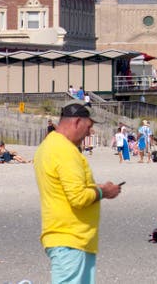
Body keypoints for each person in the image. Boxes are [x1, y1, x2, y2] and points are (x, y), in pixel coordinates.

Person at [34, 102, 122, 283]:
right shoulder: (65, 151)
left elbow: (67, 188)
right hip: (71, 239)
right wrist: (103, 191)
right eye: (89, 127)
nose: (89, 133)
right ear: (76, 122)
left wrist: (96, 188)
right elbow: (78, 198)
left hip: (67, 238)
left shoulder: (49, 145)